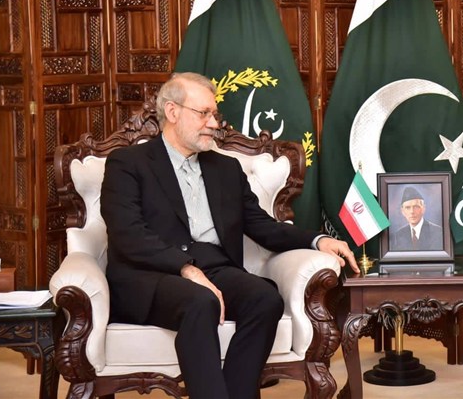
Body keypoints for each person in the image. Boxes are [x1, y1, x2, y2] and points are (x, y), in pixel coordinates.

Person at [101, 72, 358, 399]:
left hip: (214, 267)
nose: (214, 123)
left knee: (265, 299)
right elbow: (128, 234)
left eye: (214, 114)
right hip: (150, 275)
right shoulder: (127, 163)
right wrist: (185, 268)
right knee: (200, 301)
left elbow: (262, 226)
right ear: (172, 111)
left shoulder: (225, 169)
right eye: (203, 113)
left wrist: (317, 240)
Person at [390, 186, 443, 251]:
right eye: (408, 207)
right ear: (402, 211)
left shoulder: (437, 232)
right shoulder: (399, 235)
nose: (412, 212)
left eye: (416, 207)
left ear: (423, 209)